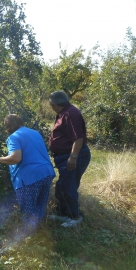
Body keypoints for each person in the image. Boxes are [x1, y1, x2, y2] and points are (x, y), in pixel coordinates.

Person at [0, 114, 55, 233]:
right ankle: (40, 233)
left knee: (28, 210)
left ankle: (30, 238)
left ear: (8, 127)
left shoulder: (13, 137)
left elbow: (16, 158)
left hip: (29, 177)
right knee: (40, 206)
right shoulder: (35, 133)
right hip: (46, 172)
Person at [48, 91, 91, 228]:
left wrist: (73, 157)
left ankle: (75, 216)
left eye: (51, 104)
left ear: (54, 104)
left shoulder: (70, 114)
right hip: (65, 156)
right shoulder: (65, 112)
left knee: (68, 186)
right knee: (62, 185)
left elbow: (78, 138)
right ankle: (62, 213)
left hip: (73, 156)